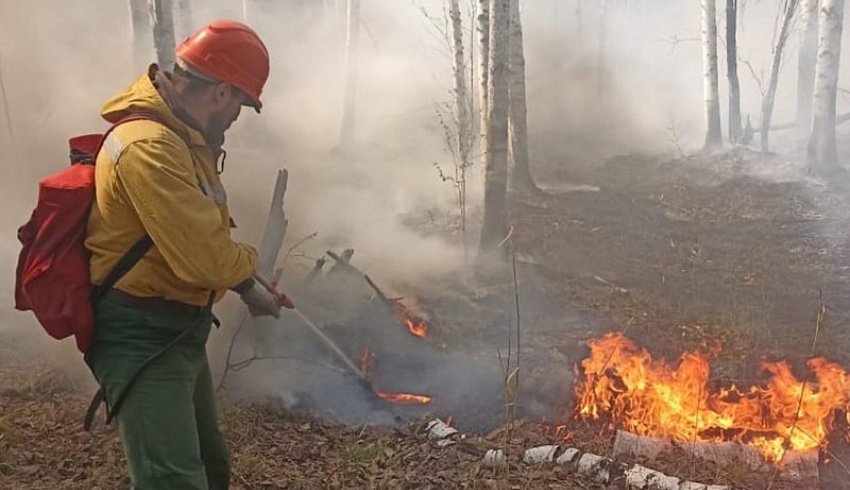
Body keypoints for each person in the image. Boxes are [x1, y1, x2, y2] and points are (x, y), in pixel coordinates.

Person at [84, 19, 286, 490]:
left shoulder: (184, 138)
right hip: (142, 336)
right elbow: (204, 258)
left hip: (178, 331)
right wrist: (247, 266)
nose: (239, 115)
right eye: (243, 102)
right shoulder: (149, 147)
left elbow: (196, 240)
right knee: (172, 481)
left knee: (211, 471)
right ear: (221, 92)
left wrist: (247, 288)